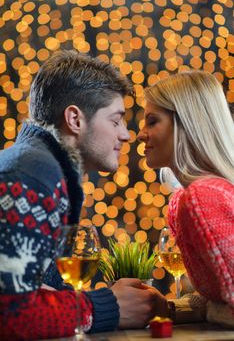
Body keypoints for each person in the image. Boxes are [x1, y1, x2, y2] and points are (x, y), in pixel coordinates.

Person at [0, 50, 168, 340]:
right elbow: (12, 314)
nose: (126, 135)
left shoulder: (42, 167)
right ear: (75, 119)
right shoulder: (32, 175)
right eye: (116, 121)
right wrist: (108, 307)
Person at [137, 70, 234, 326]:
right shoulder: (187, 198)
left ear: (186, 124)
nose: (140, 134)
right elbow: (216, 296)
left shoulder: (203, 197)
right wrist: (169, 308)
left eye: (152, 121)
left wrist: (211, 311)